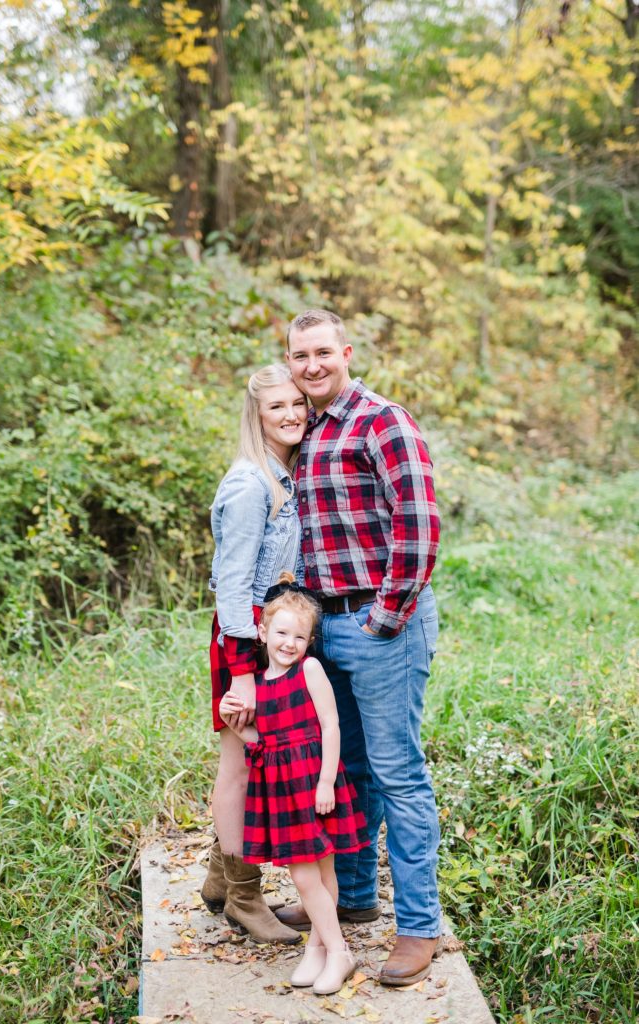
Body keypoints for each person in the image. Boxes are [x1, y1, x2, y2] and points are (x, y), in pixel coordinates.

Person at [276, 309, 442, 986]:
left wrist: (385, 617)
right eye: (299, 356)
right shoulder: (305, 428)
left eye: (322, 352)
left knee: (398, 774)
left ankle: (420, 928)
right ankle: (351, 897)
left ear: (345, 353)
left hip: (381, 624)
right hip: (323, 628)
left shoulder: (382, 421)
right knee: (346, 769)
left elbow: (418, 525)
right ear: (289, 362)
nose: (311, 365)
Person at [219, 574, 369, 995]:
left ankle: (336, 950)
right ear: (262, 632)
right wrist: (237, 725)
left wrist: (326, 783)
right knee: (310, 875)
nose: (290, 643)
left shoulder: (310, 670)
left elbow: (331, 726)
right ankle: (319, 949)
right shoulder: (258, 687)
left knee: (317, 874)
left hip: (316, 783)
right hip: (284, 793)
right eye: (282, 633)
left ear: (309, 641)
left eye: (300, 637)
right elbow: (262, 746)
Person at [201, 363, 308, 944]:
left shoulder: (285, 475)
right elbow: (233, 585)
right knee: (240, 765)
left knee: (251, 760)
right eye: (276, 407)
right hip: (243, 643)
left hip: (271, 642)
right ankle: (245, 897)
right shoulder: (250, 485)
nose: (291, 414)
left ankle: (221, 877)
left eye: (297, 403)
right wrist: (244, 674)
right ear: (257, 415)